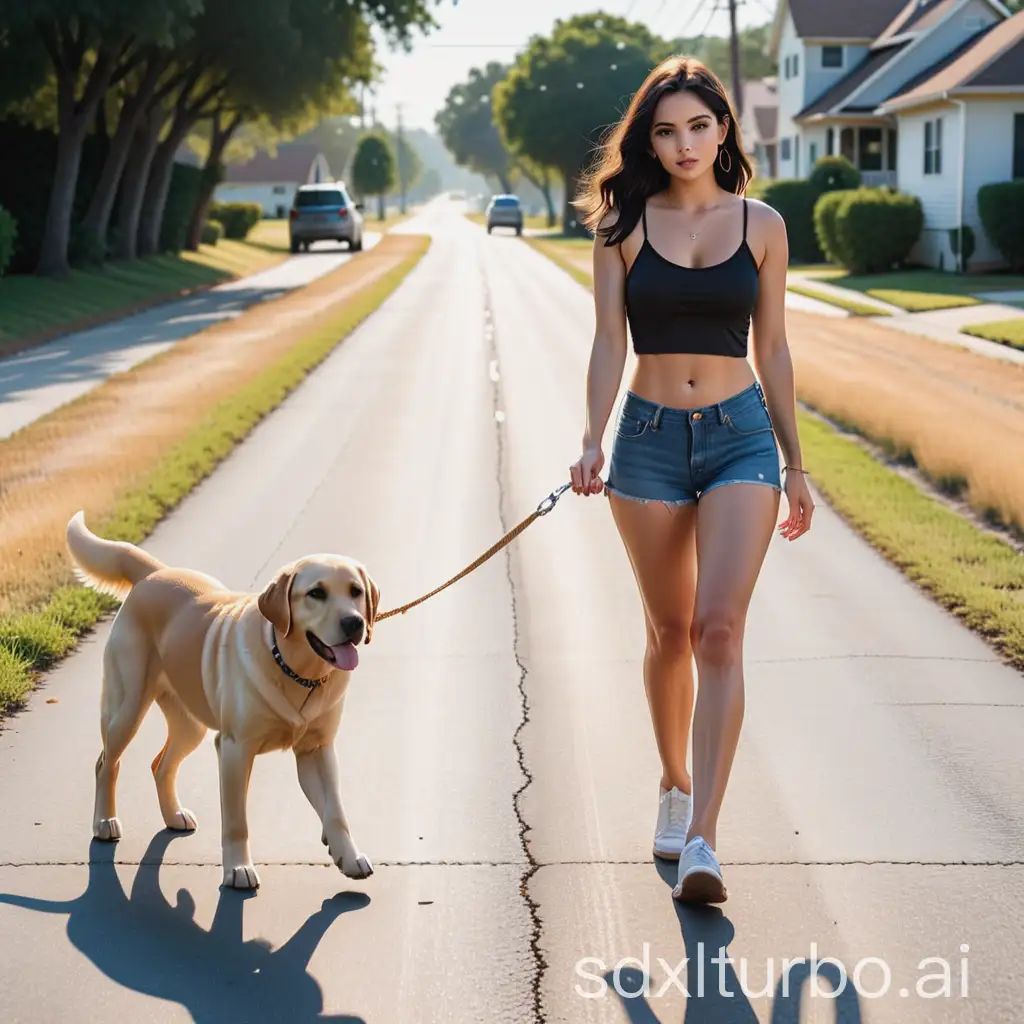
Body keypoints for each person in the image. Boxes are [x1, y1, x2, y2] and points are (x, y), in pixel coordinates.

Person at [568, 56, 814, 904]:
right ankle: (674, 785)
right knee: (669, 633)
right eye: (666, 130)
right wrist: (591, 440)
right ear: (649, 138)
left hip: (741, 436)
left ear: (724, 130)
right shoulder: (621, 225)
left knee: (719, 630)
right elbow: (608, 342)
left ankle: (705, 836)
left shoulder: (765, 225)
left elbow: (773, 348)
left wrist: (797, 462)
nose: (683, 144)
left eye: (698, 127)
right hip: (645, 440)